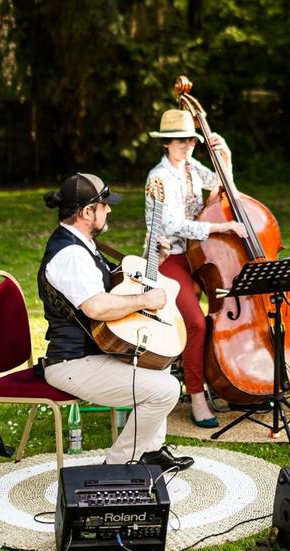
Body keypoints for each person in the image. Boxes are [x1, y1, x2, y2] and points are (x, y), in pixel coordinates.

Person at [38, 173, 193, 470]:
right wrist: (144, 301)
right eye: (104, 205)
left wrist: (152, 260)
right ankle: (118, 465)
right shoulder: (70, 254)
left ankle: (150, 451)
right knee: (167, 389)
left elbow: (116, 283)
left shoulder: (81, 244)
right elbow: (96, 306)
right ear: (87, 212)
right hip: (72, 363)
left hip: (93, 355)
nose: (109, 210)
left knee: (160, 363)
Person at [144, 109, 248, 428]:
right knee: (196, 324)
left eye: (189, 139)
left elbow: (221, 186)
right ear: (165, 143)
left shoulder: (191, 168)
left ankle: (219, 381)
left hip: (197, 256)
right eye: (178, 140)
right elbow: (173, 225)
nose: (185, 144)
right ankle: (197, 396)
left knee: (217, 319)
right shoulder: (158, 177)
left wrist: (226, 156)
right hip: (170, 257)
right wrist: (223, 228)